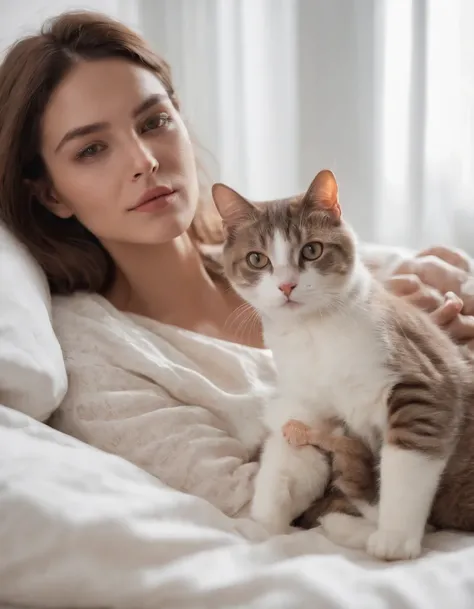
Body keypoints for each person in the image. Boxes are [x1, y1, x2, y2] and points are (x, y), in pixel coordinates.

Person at [0, 11, 473, 518]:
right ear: (51, 193)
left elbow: (428, 279)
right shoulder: (98, 361)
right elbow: (255, 502)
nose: (144, 160)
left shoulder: (280, 251)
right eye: (92, 149)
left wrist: (437, 305)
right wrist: (389, 383)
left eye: (154, 121)